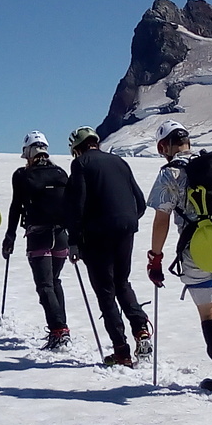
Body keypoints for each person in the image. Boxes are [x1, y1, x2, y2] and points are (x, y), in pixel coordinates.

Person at [146, 120, 212, 397]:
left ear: (164, 146)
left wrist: (155, 257)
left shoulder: (171, 173)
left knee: (209, 311)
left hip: (200, 248)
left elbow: (162, 219)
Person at [65, 126, 151, 367]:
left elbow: (77, 204)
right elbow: (140, 201)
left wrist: (73, 240)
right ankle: (141, 329)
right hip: (126, 228)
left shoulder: (81, 164)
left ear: (76, 148)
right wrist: (126, 219)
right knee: (122, 282)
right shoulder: (119, 161)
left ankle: (121, 351)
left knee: (105, 290)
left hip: (96, 235)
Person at [2, 131, 71, 349]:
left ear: (29, 152)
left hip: (37, 235)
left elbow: (16, 207)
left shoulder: (22, 175)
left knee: (44, 285)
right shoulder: (60, 173)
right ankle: (62, 328)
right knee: (55, 281)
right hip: (61, 236)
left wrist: (10, 236)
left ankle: (58, 330)